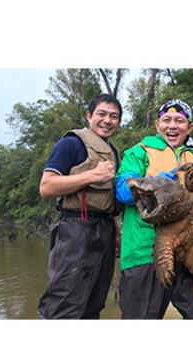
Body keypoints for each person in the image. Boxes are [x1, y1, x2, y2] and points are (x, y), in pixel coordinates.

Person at [115, 99, 193, 319]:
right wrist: (164, 182)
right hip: (145, 254)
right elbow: (124, 192)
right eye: (166, 120)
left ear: (189, 127)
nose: (172, 126)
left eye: (179, 121)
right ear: (157, 125)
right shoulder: (139, 153)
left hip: (190, 255)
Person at [37, 94, 122, 319]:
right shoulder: (71, 144)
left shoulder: (113, 152)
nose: (107, 120)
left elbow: (106, 200)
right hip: (75, 229)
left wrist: (116, 233)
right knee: (63, 304)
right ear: (89, 116)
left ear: (119, 122)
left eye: (114, 117)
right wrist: (92, 174)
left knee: (94, 304)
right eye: (101, 114)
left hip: (104, 231)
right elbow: (46, 187)